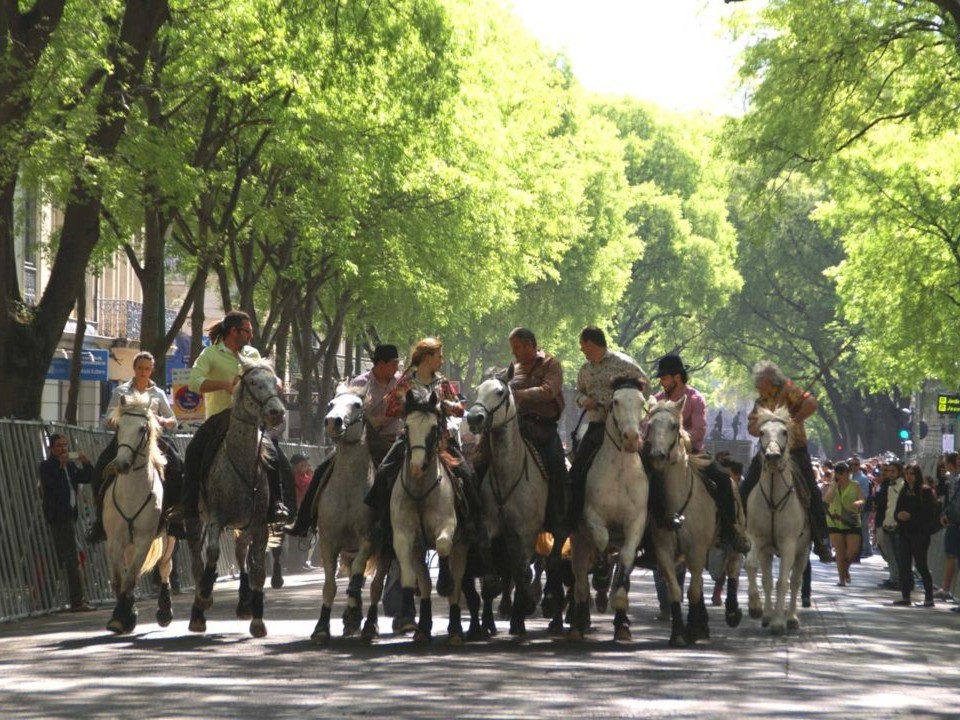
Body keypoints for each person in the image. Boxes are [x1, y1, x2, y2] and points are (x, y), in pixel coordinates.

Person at [364, 338, 492, 578]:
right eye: (439, 356)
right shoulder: (406, 381)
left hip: (441, 440)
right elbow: (391, 407)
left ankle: (474, 526)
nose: (441, 360)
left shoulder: (442, 382)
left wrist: (448, 405)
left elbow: (459, 408)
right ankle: (380, 525)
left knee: (467, 474)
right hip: (410, 440)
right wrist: (409, 403)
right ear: (427, 357)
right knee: (383, 472)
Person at [180, 310, 290, 535]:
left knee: (277, 456)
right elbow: (194, 382)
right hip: (221, 417)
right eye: (247, 331)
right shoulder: (210, 354)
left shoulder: (252, 353)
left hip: (250, 419)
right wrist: (224, 384)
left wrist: (276, 381)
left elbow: (266, 373)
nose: (250, 336)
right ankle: (187, 505)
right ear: (233, 331)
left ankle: (277, 504)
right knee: (193, 451)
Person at [285, 344, 402, 537]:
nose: (396, 369)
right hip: (362, 442)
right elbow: (351, 415)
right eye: (393, 364)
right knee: (322, 470)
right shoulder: (359, 384)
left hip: (391, 443)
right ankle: (303, 521)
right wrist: (380, 419)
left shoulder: (400, 384)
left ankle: (394, 527)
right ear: (381, 364)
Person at [650, 353, 750, 553]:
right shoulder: (657, 400)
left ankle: (730, 531)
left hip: (693, 453)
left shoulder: (695, 399)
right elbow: (647, 427)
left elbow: (698, 432)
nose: (661, 382)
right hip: (660, 454)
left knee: (722, 479)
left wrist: (677, 438)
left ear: (677, 377)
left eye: (664, 377)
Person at [86, 351, 183, 544]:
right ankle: (99, 522)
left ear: (151, 370)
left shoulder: (158, 393)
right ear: (134, 368)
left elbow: (174, 420)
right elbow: (107, 419)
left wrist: (161, 420)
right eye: (140, 368)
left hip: (154, 441)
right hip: (125, 440)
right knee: (99, 470)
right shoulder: (120, 391)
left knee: (179, 467)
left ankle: (174, 519)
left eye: (147, 369)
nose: (143, 372)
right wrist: (120, 423)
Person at [741, 361, 832, 563]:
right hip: (767, 451)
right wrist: (763, 426)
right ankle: (739, 532)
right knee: (745, 486)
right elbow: (751, 427)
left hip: (794, 450)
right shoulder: (760, 401)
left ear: (769, 380)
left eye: (759, 381)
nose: (756, 385)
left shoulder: (789, 390)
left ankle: (822, 539)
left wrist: (795, 419)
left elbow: (811, 403)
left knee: (812, 490)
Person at [484, 327, 569, 537]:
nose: (514, 352)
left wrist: (521, 395)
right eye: (513, 348)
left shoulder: (551, 364)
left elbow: (549, 390)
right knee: (480, 461)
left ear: (530, 345)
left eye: (517, 347)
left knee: (557, 466)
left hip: (543, 428)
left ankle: (559, 522)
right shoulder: (513, 368)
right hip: (516, 427)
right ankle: (479, 517)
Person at [568, 326, 649, 527]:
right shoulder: (585, 370)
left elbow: (646, 387)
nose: (581, 350)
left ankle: (654, 516)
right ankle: (573, 517)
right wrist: (584, 400)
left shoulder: (624, 363)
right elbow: (577, 393)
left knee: (651, 465)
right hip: (597, 426)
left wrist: (625, 404)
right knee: (577, 470)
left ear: (591, 343)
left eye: (582, 346)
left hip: (625, 429)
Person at [38, 434, 96, 612]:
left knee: (65, 557)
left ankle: (50, 601)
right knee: (71, 558)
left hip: (70, 515)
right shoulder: (47, 466)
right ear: (51, 449)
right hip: (58, 516)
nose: (63, 449)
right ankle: (77, 601)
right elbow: (49, 485)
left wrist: (85, 462)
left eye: (65, 445)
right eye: (58, 446)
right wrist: (60, 466)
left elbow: (86, 477)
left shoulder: (70, 466)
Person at [890, 463, 938, 607]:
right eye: (907, 473)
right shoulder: (904, 491)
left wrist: (911, 516)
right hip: (904, 532)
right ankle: (906, 596)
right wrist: (899, 515)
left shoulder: (925, 491)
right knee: (904, 564)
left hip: (919, 533)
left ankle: (929, 597)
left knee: (921, 565)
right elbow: (897, 509)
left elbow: (928, 513)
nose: (909, 476)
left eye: (912, 473)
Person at [824, 461, 863, 586]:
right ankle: (841, 579)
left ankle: (845, 570)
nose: (841, 475)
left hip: (851, 521)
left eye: (844, 472)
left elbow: (862, 499)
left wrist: (859, 503)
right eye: (839, 473)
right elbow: (827, 500)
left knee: (852, 551)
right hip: (835, 521)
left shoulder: (855, 485)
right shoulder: (832, 485)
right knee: (840, 552)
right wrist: (834, 485)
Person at [875, 460, 905, 591]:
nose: (889, 474)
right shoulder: (886, 485)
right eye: (888, 471)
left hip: (895, 524)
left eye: (893, 471)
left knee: (896, 553)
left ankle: (898, 579)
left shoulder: (900, 486)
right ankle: (894, 577)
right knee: (888, 552)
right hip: (885, 521)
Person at [936, 452, 960, 606]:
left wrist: (945, 514)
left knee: (951, 555)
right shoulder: (953, 478)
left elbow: (948, 500)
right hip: (953, 521)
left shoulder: (953, 479)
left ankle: (946, 588)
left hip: (954, 522)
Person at [849, 457, 873, 558]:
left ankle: (866, 549)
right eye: (851, 464)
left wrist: (860, 506)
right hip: (851, 508)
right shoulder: (849, 478)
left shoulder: (863, 479)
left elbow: (865, 495)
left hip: (862, 507)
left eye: (856, 464)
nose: (853, 466)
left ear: (859, 466)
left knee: (863, 528)